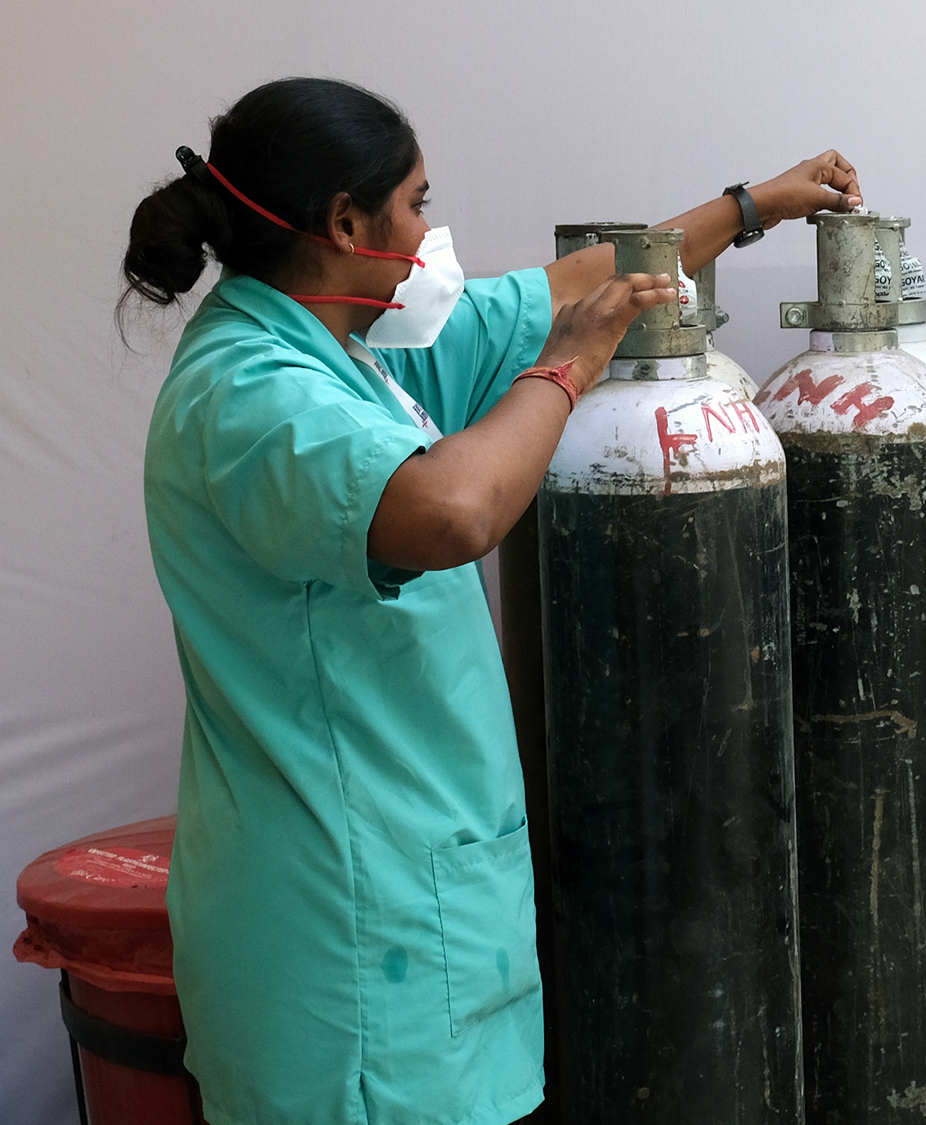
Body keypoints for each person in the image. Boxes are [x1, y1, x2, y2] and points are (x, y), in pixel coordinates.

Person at [121, 77, 861, 1125]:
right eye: (417, 202)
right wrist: (568, 370)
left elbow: (566, 282)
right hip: (347, 946)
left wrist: (749, 208)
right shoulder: (248, 390)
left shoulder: (353, 349)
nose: (430, 232)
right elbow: (454, 509)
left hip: (417, 913)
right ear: (344, 221)